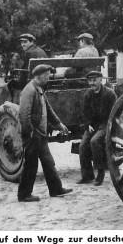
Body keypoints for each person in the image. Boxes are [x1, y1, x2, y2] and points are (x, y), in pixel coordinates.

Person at [17, 64, 73, 202]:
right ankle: (24, 195)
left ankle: (56, 189)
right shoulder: (29, 91)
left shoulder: (39, 90)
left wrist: (59, 124)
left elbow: (48, 109)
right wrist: (30, 132)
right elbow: (24, 115)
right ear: (39, 76)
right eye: (47, 75)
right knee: (31, 165)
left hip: (40, 134)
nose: (48, 78)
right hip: (33, 135)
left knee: (48, 162)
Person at [78, 71, 117, 186]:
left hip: (106, 124)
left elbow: (115, 112)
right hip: (93, 126)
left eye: (95, 80)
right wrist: (88, 124)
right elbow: (85, 113)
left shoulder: (110, 94)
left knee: (94, 141)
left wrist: (109, 126)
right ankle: (87, 176)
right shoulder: (88, 95)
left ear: (101, 80)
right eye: (90, 80)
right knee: (82, 145)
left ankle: (100, 173)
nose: (92, 83)